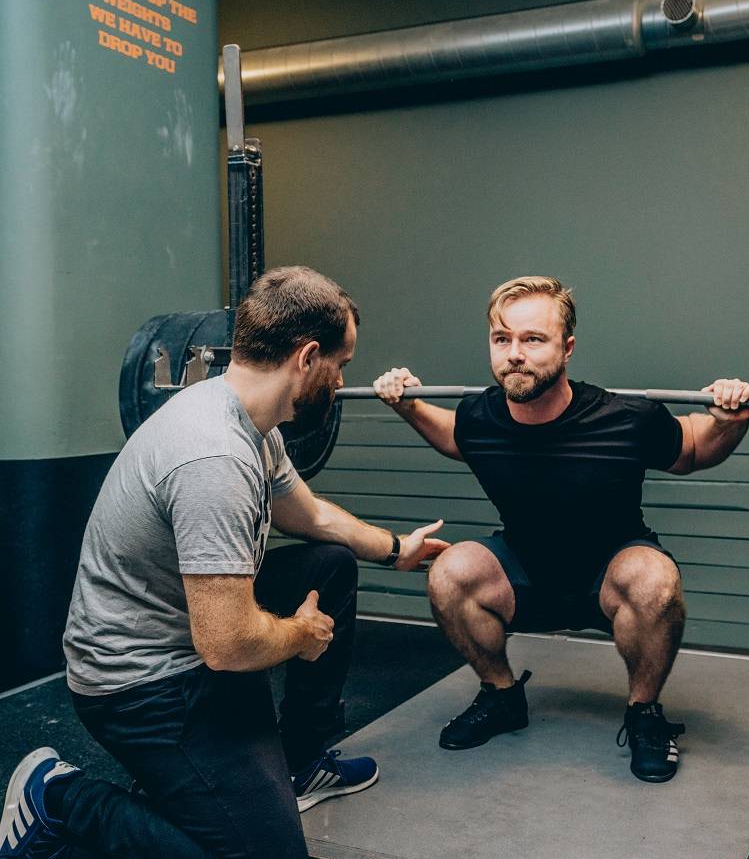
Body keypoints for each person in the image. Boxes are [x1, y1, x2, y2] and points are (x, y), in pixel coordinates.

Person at [0, 266, 448, 859]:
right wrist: (300, 633)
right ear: (307, 356)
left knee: (330, 563)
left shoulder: (252, 423)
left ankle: (300, 761)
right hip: (142, 684)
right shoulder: (214, 457)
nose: (341, 381)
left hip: (191, 639)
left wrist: (396, 549)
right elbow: (228, 645)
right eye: (340, 365)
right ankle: (59, 796)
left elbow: (309, 517)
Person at [372, 276, 749, 784]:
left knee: (655, 582)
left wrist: (732, 419)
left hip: (610, 575)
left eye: (533, 339)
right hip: (525, 572)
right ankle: (503, 697)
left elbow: (692, 448)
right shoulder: (479, 416)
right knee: (450, 572)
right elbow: (452, 436)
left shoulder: (624, 418)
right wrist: (406, 403)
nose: (515, 353)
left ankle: (644, 714)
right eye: (501, 338)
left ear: (567, 348)